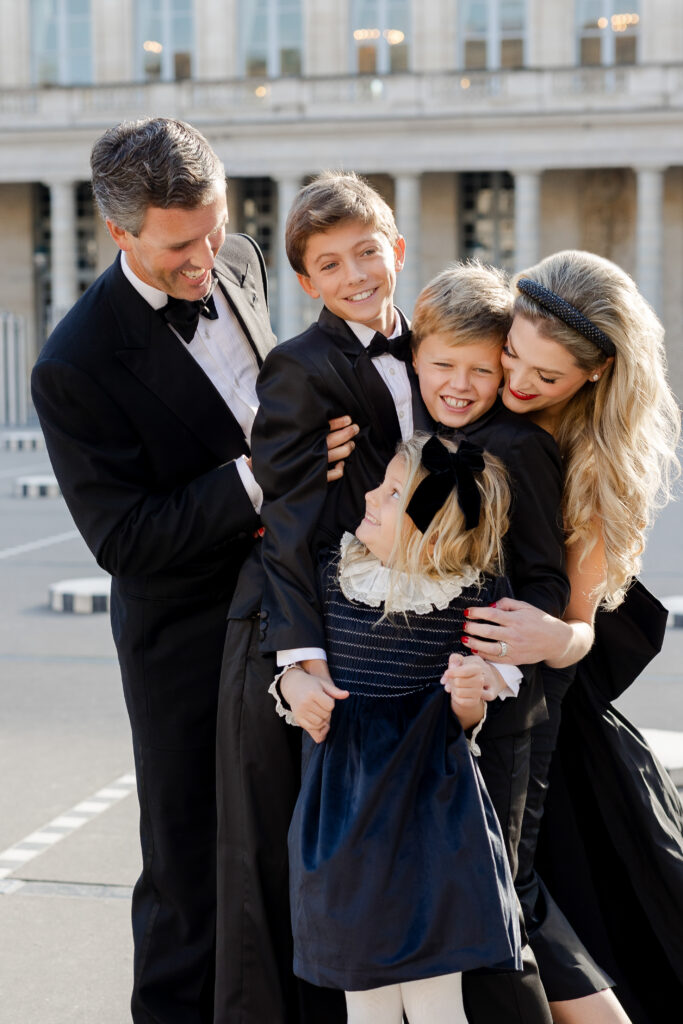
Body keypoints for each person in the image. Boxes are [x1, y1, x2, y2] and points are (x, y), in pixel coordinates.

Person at [29, 117, 349, 1024]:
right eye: (180, 244)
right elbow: (124, 541)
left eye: (214, 229)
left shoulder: (235, 257)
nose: (208, 256)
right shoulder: (72, 365)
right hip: (187, 645)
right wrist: (261, 474)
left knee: (297, 840)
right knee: (189, 868)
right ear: (119, 234)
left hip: (293, 611)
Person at [458, 249, 682, 1024]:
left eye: (543, 378)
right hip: (463, 698)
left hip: (548, 713)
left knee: (534, 910)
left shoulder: (599, 464)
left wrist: (551, 636)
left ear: (593, 375)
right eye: (511, 356)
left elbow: (583, 632)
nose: (516, 382)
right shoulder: (483, 388)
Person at [276, 433, 523, 1024]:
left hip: (433, 814)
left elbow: (469, 716)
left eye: (390, 493)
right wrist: (292, 687)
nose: (370, 494)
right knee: (365, 1001)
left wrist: (469, 695)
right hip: (347, 812)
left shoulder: (474, 594)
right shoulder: (335, 572)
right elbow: (292, 661)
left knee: (438, 1002)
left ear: (429, 534)